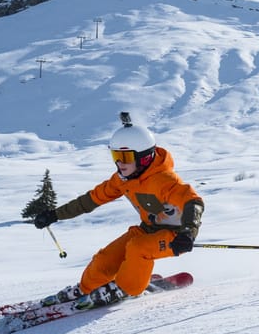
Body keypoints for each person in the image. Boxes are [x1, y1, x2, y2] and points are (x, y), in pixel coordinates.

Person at [34, 113, 204, 310]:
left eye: (125, 157)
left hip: (175, 236)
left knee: (138, 248)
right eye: (116, 156)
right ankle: (87, 288)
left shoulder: (164, 180)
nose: (119, 163)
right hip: (147, 229)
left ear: (144, 157)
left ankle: (126, 288)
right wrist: (55, 214)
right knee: (105, 259)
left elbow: (194, 202)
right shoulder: (122, 179)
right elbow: (90, 200)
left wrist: (188, 232)